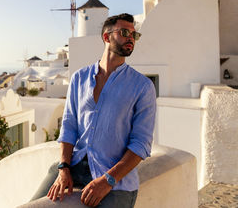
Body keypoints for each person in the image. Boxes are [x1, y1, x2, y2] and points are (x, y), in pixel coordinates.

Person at [31, 13, 156, 207]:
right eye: (124, 32)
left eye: (134, 35)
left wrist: (107, 181)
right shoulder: (79, 78)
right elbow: (69, 125)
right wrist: (63, 167)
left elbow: (141, 144)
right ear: (107, 37)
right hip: (74, 166)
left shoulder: (142, 86)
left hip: (116, 181)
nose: (131, 38)